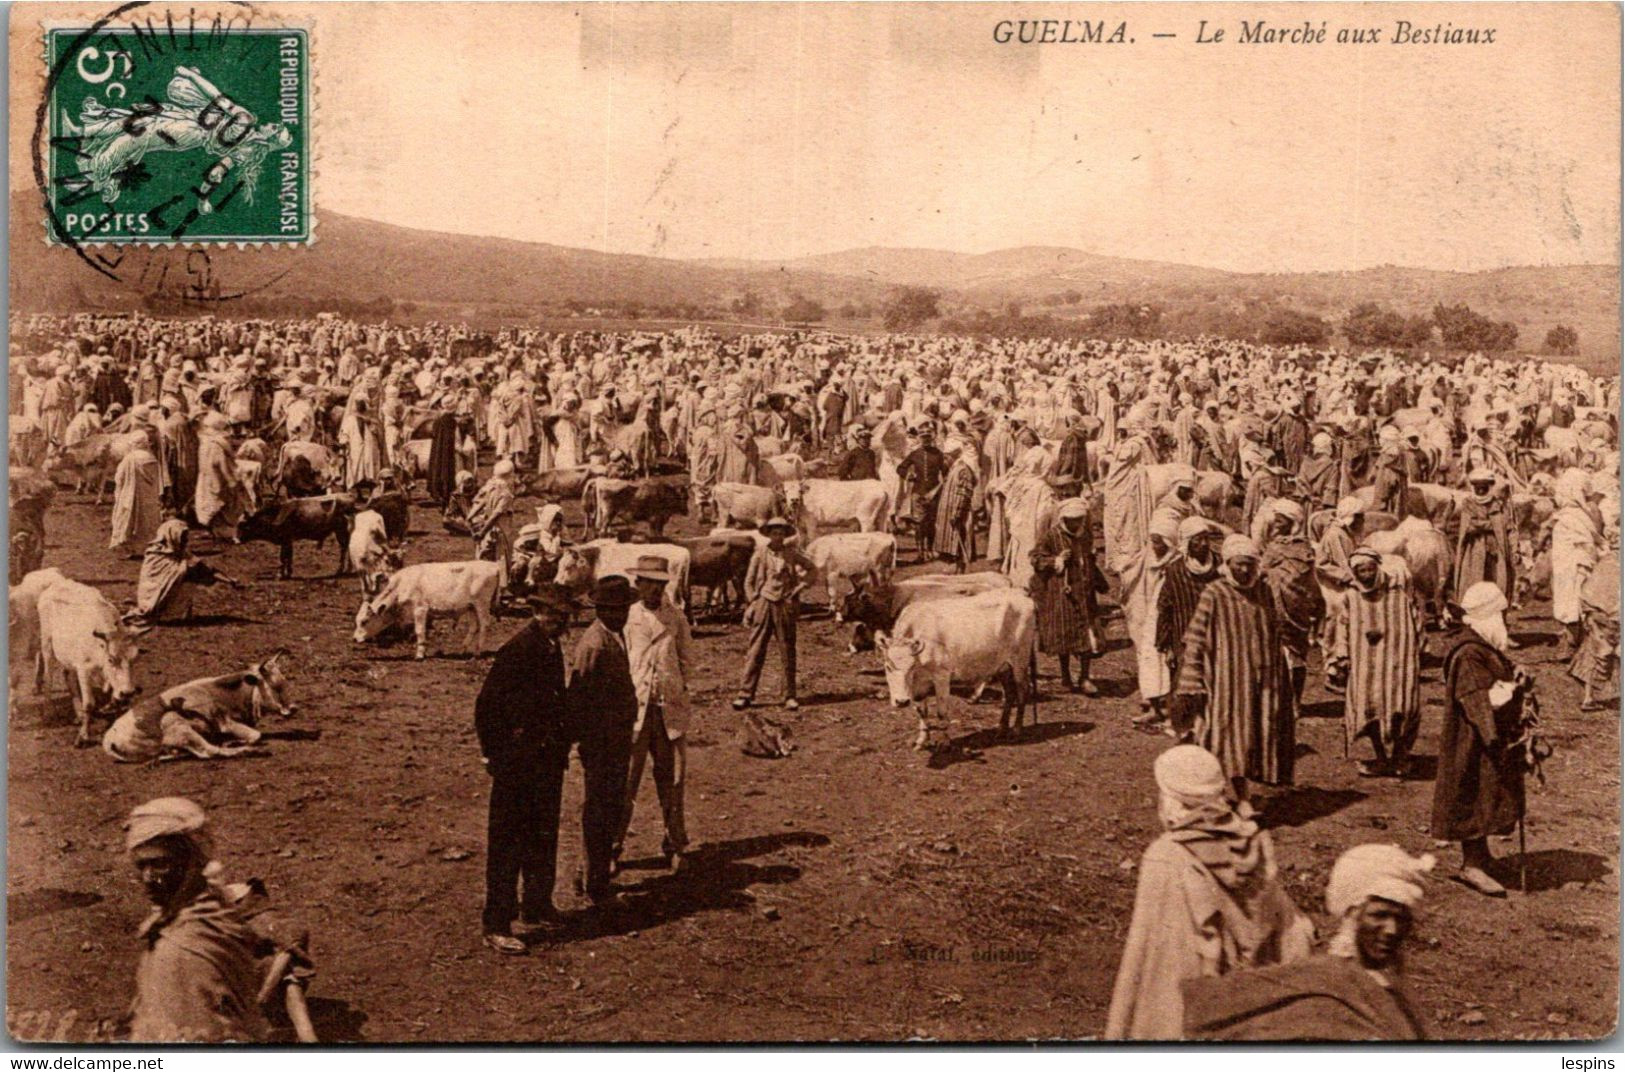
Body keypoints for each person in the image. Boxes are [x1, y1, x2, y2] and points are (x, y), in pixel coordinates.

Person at [1104, 745, 1312, 1039]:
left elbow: (1155, 961)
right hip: (1252, 1006)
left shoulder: (1167, 856)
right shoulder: (1253, 841)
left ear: (1172, 799)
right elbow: (1286, 933)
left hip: (1194, 1010)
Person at [1183, 844, 1433, 1040]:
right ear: (1352, 915)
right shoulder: (1319, 985)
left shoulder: (1395, 986)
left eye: (1401, 918)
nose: (1392, 929)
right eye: (1379, 915)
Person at [125, 797, 312, 1042]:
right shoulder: (171, 927)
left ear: (189, 863)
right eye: (141, 866)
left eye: (160, 864)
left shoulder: (197, 939)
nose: (148, 878)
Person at [474, 585, 575, 954]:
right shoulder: (518, 649)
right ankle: (497, 922)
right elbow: (487, 707)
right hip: (516, 763)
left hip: (546, 761)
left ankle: (537, 905)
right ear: (537, 611)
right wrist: (494, 756)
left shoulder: (551, 646)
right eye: (552, 614)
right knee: (508, 843)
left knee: (542, 835)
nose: (559, 622)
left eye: (563, 616)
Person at [1175, 535, 1294, 797]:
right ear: (1228, 563)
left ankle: (1238, 796)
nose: (1244, 570)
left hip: (1263, 682)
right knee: (1226, 737)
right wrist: (1192, 680)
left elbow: (1275, 630)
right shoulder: (1214, 593)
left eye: (1250, 564)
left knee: (1255, 738)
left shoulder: (1263, 592)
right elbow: (1195, 638)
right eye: (1239, 564)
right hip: (1226, 683)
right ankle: (1229, 796)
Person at [1432, 581, 1530, 898]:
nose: (1505, 622)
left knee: (1488, 793)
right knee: (1471, 792)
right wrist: (1494, 733)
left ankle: (1482, 855)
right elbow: (1478, 698)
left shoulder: (1480, 645)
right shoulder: (1468, 653)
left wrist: (1515, 672)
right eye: (1501, 615)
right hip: (1474, 738)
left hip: (1485, 735)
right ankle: (1470, 864)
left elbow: (1498, 669)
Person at [615, 556, 694, 874]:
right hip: (635, 710)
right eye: (650, 583)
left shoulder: (675, 617)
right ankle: (613, 847)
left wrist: (675, 688)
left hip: (668, 709)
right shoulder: (627, 618)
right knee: (626, 782)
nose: (656, 590)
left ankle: (674, 843)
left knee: (672, 779)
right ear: (638, 585)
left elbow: (687, 659)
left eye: (661, 584)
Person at [565, 576, 640, 907]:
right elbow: (580, 696)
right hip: (602, 742)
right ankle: (596, 886)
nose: (621, 614)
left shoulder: (613, 634)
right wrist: (589, 742)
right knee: (600, 809)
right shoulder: (595, 645)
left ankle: (589, 874)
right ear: (602, 610)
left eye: (624, 608)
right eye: (614, 609)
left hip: (615, 738)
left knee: (608, 806)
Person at [1331, 549, 1423, 778]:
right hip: (1365, 663)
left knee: (1401, 706)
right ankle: (1381, 757)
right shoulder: (1350, 596)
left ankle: (1400, 757)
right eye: (1361, 570)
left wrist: (1419, 644)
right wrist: (1341, 653)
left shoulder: (1398, 592)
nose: (1367, 574)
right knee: (1368, 707)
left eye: (1370, 568)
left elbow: (1415, 617)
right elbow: (1342, 626)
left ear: (1377, 567)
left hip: (1397, 661)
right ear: (1354, 572)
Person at [734, 517, 813, 711]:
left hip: (785, 604)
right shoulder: (760, 554)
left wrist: (799, 587)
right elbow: (749, 581)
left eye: (781, 533)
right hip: (764, 602)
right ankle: (745, 695)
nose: (778, 537)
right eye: (774, 533)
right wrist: (754, 601)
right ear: (768, 535)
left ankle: (789, 695)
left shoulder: (791, 554)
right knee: (756, 650)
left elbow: (812, 570)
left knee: (787, 650)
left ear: (786, 536)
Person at [1028, 498, 1100, 695]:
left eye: (1079, 519)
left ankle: (1085, 677)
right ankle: (1066, 675)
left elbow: (1089, 559)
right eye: (1072, 520)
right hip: (1061, 592)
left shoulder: (1084, 535)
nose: (1076, 524)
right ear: (1063, 519)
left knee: (1088, 635)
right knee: (1064, 634)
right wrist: (1056, 560)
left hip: (1083, 591)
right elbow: (1035, 557)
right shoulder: (1051, 536)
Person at [127, 519, 239, 625]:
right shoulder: (155, 555)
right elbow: (201, 570)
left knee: (190, 571)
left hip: (158, 600)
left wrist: (229, 580)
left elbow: (205, 570)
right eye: (182, 537)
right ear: (172, 536)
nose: (185, 541)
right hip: (150, 601)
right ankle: (169, 615)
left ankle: (173, 614)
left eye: (185, 537)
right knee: (189, 573)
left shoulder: (180, 552)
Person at [1453, 469, 1515, 598]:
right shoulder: (1468, 504)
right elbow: (1468, 527)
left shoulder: (1499, 505)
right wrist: (1492, 525)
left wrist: (1515, 549)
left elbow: (1509, 528)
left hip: (1497, 553)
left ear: (1489, 487)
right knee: (1475, 584)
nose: (1480, 491)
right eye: (1478, 488)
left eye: (1483, 488)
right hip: (1474, 552)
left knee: (1496, 584)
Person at [108, 425, 166, 557]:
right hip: (149, 497)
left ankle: (129, 548)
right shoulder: (152, 458)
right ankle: (148, 546)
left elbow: (119, 477)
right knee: (148, 522)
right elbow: (157, 479)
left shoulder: (130, 459)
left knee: (128, 521)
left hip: (130, 496)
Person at [896, 426, 947, 561]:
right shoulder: (915, 454)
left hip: (934, 493)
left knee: (931, 523)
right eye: (923, 437)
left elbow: (946, 474)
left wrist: (939, 488)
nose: (925, 440)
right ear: (919, 438)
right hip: (918, 493)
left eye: (928, 437)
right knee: (919, 524)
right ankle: (920, 552)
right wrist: (908, 474)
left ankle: (929, 550)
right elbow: (900, 468)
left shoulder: (938, 454)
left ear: (932, 438)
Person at [934, 441, 981, 571]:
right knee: (950, 539)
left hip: (960, 512)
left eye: (947, 457)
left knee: (959, 538)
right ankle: (955, 566)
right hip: (950, 510)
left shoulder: (963, 470)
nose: (945, 460)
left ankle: (961, 567)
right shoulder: (954, 469)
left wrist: (957, 512)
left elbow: (964, 493)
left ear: (953, 456)